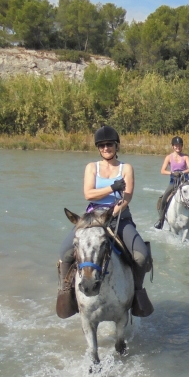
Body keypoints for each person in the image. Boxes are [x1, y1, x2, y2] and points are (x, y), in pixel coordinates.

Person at [56, 126, 153, 319]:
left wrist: (112, 214)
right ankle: (67, 292)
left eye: (109, 144)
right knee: (65, 252)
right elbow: (88, 194)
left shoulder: (126, 168)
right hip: (92, 217)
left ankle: (136, 293)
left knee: (141, 256)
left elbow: (127, 197)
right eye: (102, 145)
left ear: (116, 146)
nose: (106, 148)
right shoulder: (92, 167)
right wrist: (111, 187)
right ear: (98, 148)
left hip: (119, 215)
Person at [155, 136, 189, 230]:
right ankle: (161, 221)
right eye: (176, 145)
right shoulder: (168, 157)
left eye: (179, 145)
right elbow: (162, 171)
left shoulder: (186, 157)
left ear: (182, 146)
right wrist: (172, 173)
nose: (177, 147)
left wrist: (182, 172)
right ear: (173, 146)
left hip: (184, 182)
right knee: (163, 200)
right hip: (173, 182)